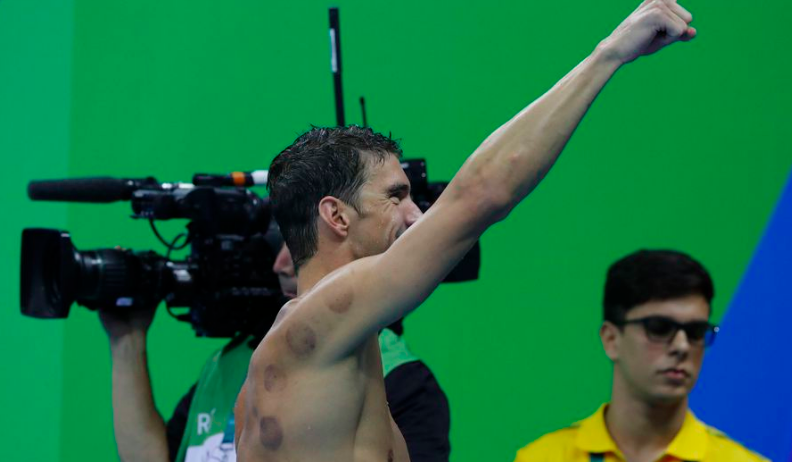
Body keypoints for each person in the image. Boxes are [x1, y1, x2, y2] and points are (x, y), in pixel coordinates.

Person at [235, 2, 698, 460]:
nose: (417, 216)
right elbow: (481, 196)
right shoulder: (313, 329)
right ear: (336, 216)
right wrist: (610, 54)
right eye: (395, 197)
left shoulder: (321, 358)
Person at [100, 234, 450, 462]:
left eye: (295, 250)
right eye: (279, 246)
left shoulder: (401, 377)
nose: (280, 265)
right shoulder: (230, 363)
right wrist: (126, 341)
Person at [513, 250, 768, 462]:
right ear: (611, 340)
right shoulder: (542, 458)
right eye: (659, 328)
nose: (681, 346)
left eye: (695, 331)